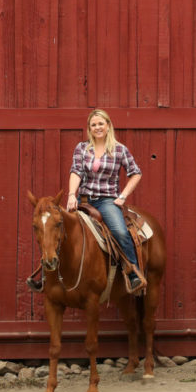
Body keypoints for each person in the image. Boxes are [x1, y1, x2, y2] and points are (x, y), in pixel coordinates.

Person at [67, 108, 146, 292]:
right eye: (93, 125)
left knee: (119, 231)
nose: (97, 127)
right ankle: (49, 275)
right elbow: (76, 171)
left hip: (107, 201)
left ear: (108, 125)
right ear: (89, 128)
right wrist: (72, 194)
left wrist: (122, 196)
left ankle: (133, 272)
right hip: (84, 199)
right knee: (58, 227)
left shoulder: (119, 150)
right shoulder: (82, 148)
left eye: (101, 123)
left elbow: (136, 173)